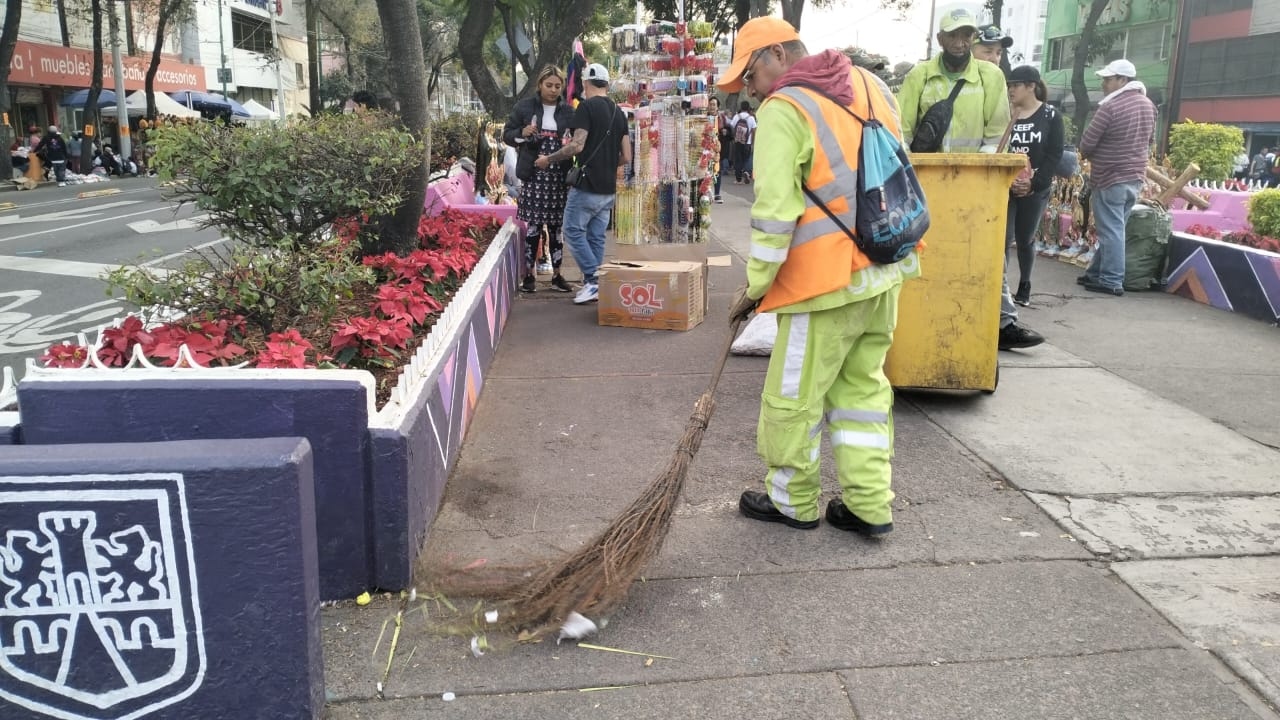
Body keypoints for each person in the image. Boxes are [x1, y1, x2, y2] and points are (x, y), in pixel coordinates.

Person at [720, 17, 918, 537]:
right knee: (863, 396)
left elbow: (774, 216)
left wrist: (756, 287)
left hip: (823, 286)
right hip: (884, 268)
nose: (751, 88)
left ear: (779, 55)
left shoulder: (784, 109)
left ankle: (791, 501)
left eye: (751, 74)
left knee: (793, 398)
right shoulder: (872, 84)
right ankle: (870, 506)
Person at [897, 8, 1043, 350]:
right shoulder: (920, 76)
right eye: (953, 35)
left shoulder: (990, 77)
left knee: (986, 254)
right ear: (940, 39)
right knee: (922, 252)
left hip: (975, 185)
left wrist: (980, 171)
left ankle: (1003, 323)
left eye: (966, 35)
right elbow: (900, 130)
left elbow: (995, 134)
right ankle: (915, 322)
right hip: (925, 183)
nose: (960, 42)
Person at [536, 62, 630, 305]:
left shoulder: (586, 108)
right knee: (596, 237)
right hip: (608, 189)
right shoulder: (619, 113)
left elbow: (577, 145)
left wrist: (549, 158)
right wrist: (608, 165)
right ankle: (595, 285)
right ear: (607, 84)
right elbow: (627, 156)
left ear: (587, 84)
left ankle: (593, 280)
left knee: (572, 231)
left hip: (587, 185)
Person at [1076, 58, 1157, 297]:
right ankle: (1095, 274)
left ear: (1123, 80)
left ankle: (1111, 280)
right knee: (1115, 228)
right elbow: (1150, 141)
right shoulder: (1148, 105)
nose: (1104, 83)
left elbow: (1087, 143)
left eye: (1108, 79)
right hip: (1135, 176)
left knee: (1111, 230)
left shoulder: (1110, 107)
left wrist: (1090, 153)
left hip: (1109, 175)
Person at [504, 64, 577, 294]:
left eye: (557, 86)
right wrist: (521, 134)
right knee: (534, 227)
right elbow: (507, 135)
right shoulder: (524, 107)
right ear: (540, 85)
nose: (553, 90)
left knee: (556, 228)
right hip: (534, 175)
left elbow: (575, 140)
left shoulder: (568, 112)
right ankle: (529, 276)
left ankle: (557, 274)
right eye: (549, 85)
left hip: (558, 176)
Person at [1004, 66, 1064, 305]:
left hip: (1035, 188)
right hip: (1005, 188)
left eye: (1015, 85)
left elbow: (1054, 154)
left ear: (1031, 86)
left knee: (1025, 238)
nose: (1010, 90)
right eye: (1009, 85)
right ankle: (1001, 288)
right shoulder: (1004, 114)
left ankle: (1025, 284)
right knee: (1003, 238)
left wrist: (1033, 183)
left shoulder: (1050, 115)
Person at [728, 101, 756, 183]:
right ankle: (747, 171)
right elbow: (754, 130)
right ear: (748, 108)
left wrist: (735, 135)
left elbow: (732, 126)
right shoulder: (751, 118)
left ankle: (738, 179)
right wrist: (752, 141)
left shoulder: (737, 116)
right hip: (747, 142)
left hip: (738, 141)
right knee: (747, 158)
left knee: (738, 159)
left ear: (741, 107)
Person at [708, 96, 725, 203]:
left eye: (714, 104)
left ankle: (717, 193)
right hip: (706, 148)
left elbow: (728, 130)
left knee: (717, 170)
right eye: (711, 104)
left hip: (718, 149)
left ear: (717, 107)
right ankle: (705, 193)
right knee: (706, 171)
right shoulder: (703, 118)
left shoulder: (721, 119)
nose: (712, 106)